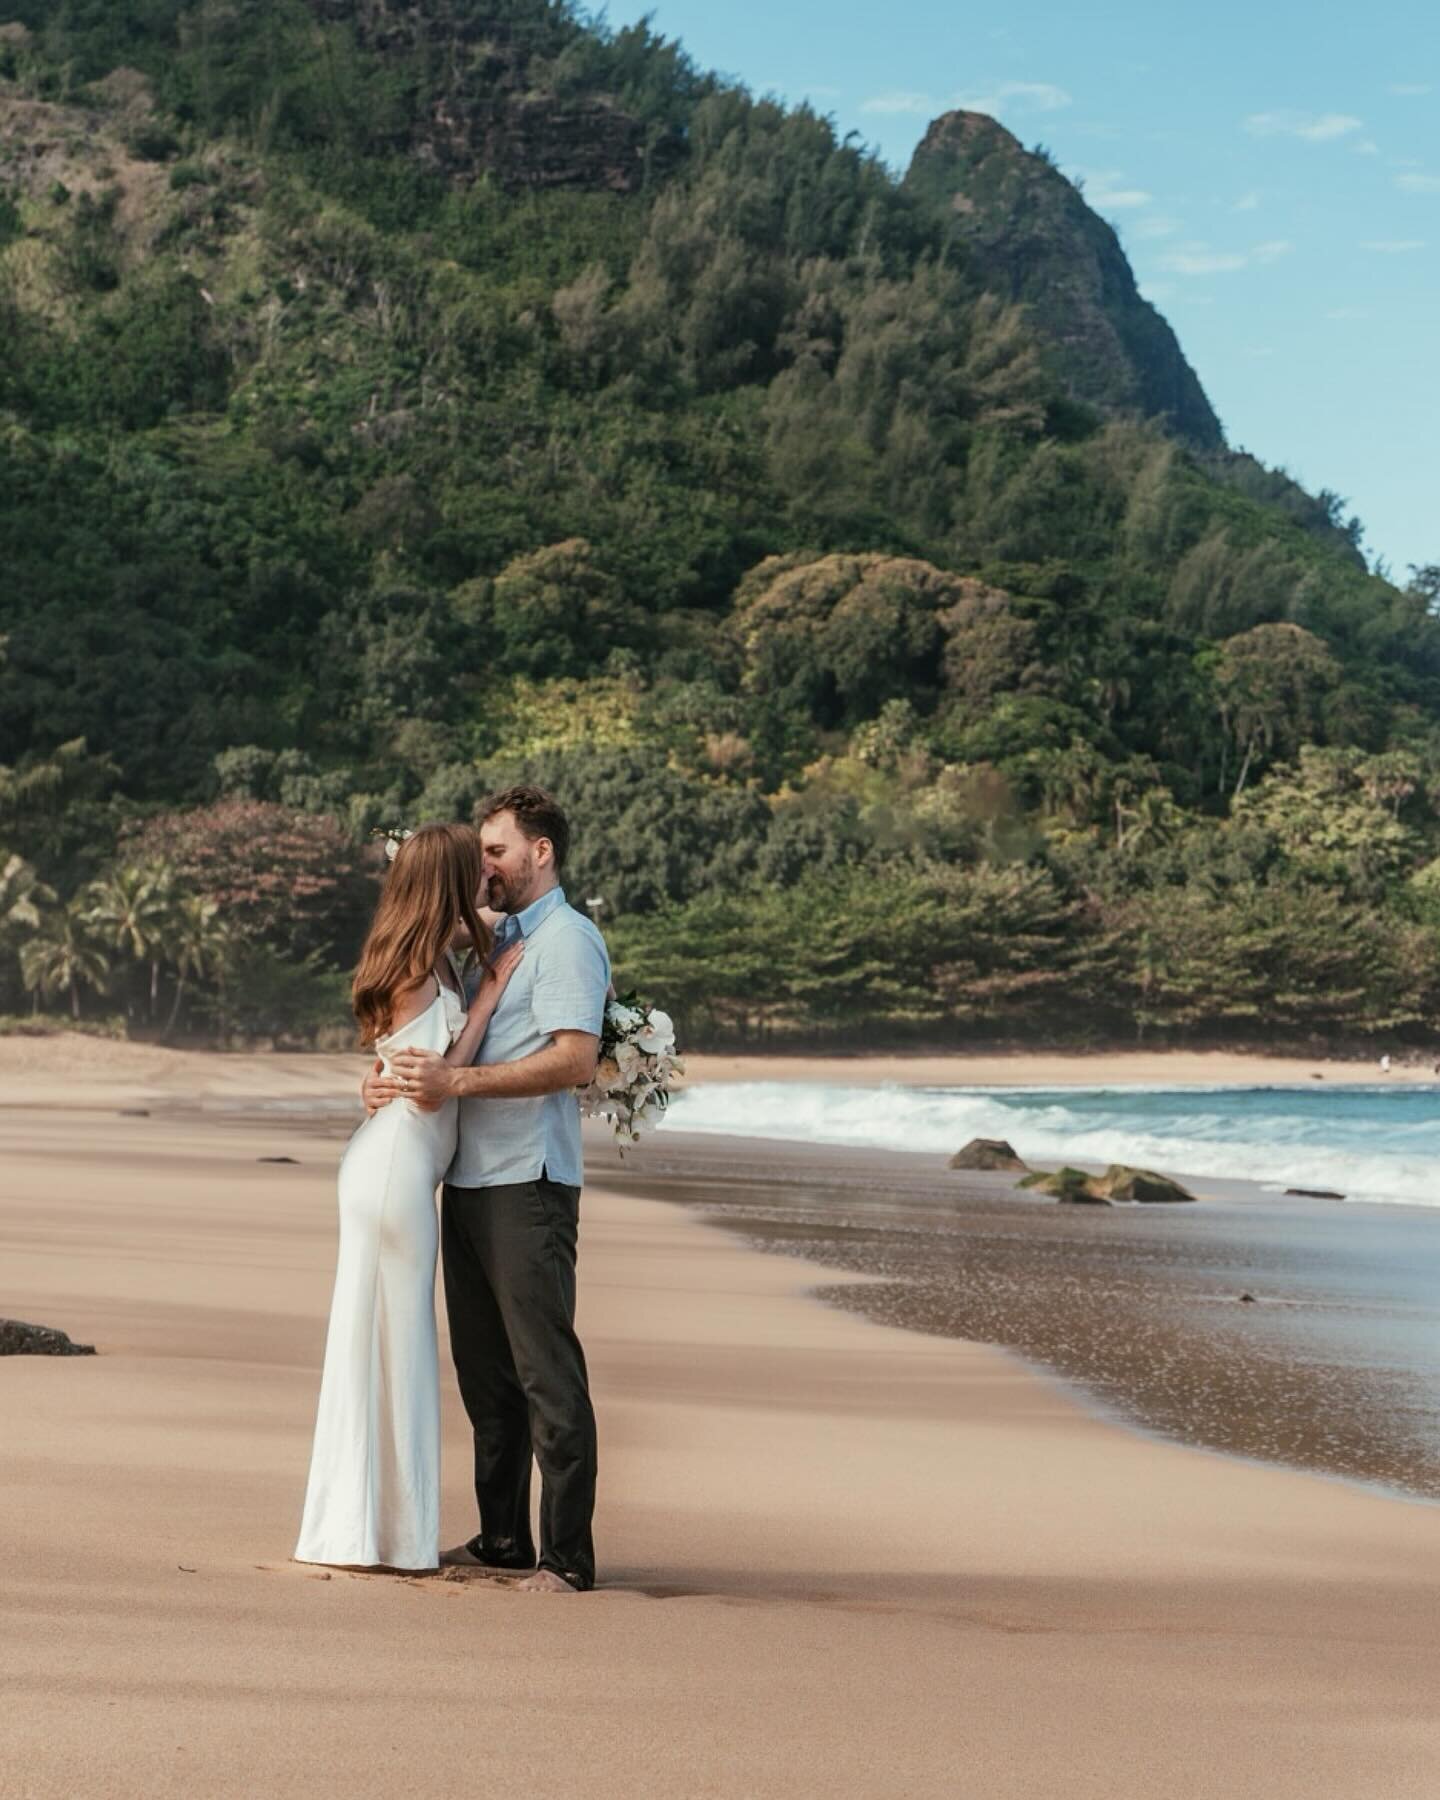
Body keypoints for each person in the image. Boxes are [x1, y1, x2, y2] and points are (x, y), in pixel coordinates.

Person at [368, 786, 610, 1594]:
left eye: (497, 851)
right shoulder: (490, 943)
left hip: (528, 1183)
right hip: (467, 1179)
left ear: (540, 852)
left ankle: (567, 1559)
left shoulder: (568, 942)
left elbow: (575, 1061)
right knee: (485, 1374)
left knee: (545, 1371)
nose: (486, 865)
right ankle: (503, 1538)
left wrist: (457, 1081)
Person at [294, 824, 523, 1572]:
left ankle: (369, 1528)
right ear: (446, 884)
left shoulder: (432, 956)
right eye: (473, 869)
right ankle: (386, 1533)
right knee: (396, 1347)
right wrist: (487, 1004)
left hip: (390, 1165)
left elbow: (398, 1065)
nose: (485, 879)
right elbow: (429, 1090)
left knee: (378, 1344)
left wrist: (485, 918)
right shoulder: (426, 969)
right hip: (395, 1169)